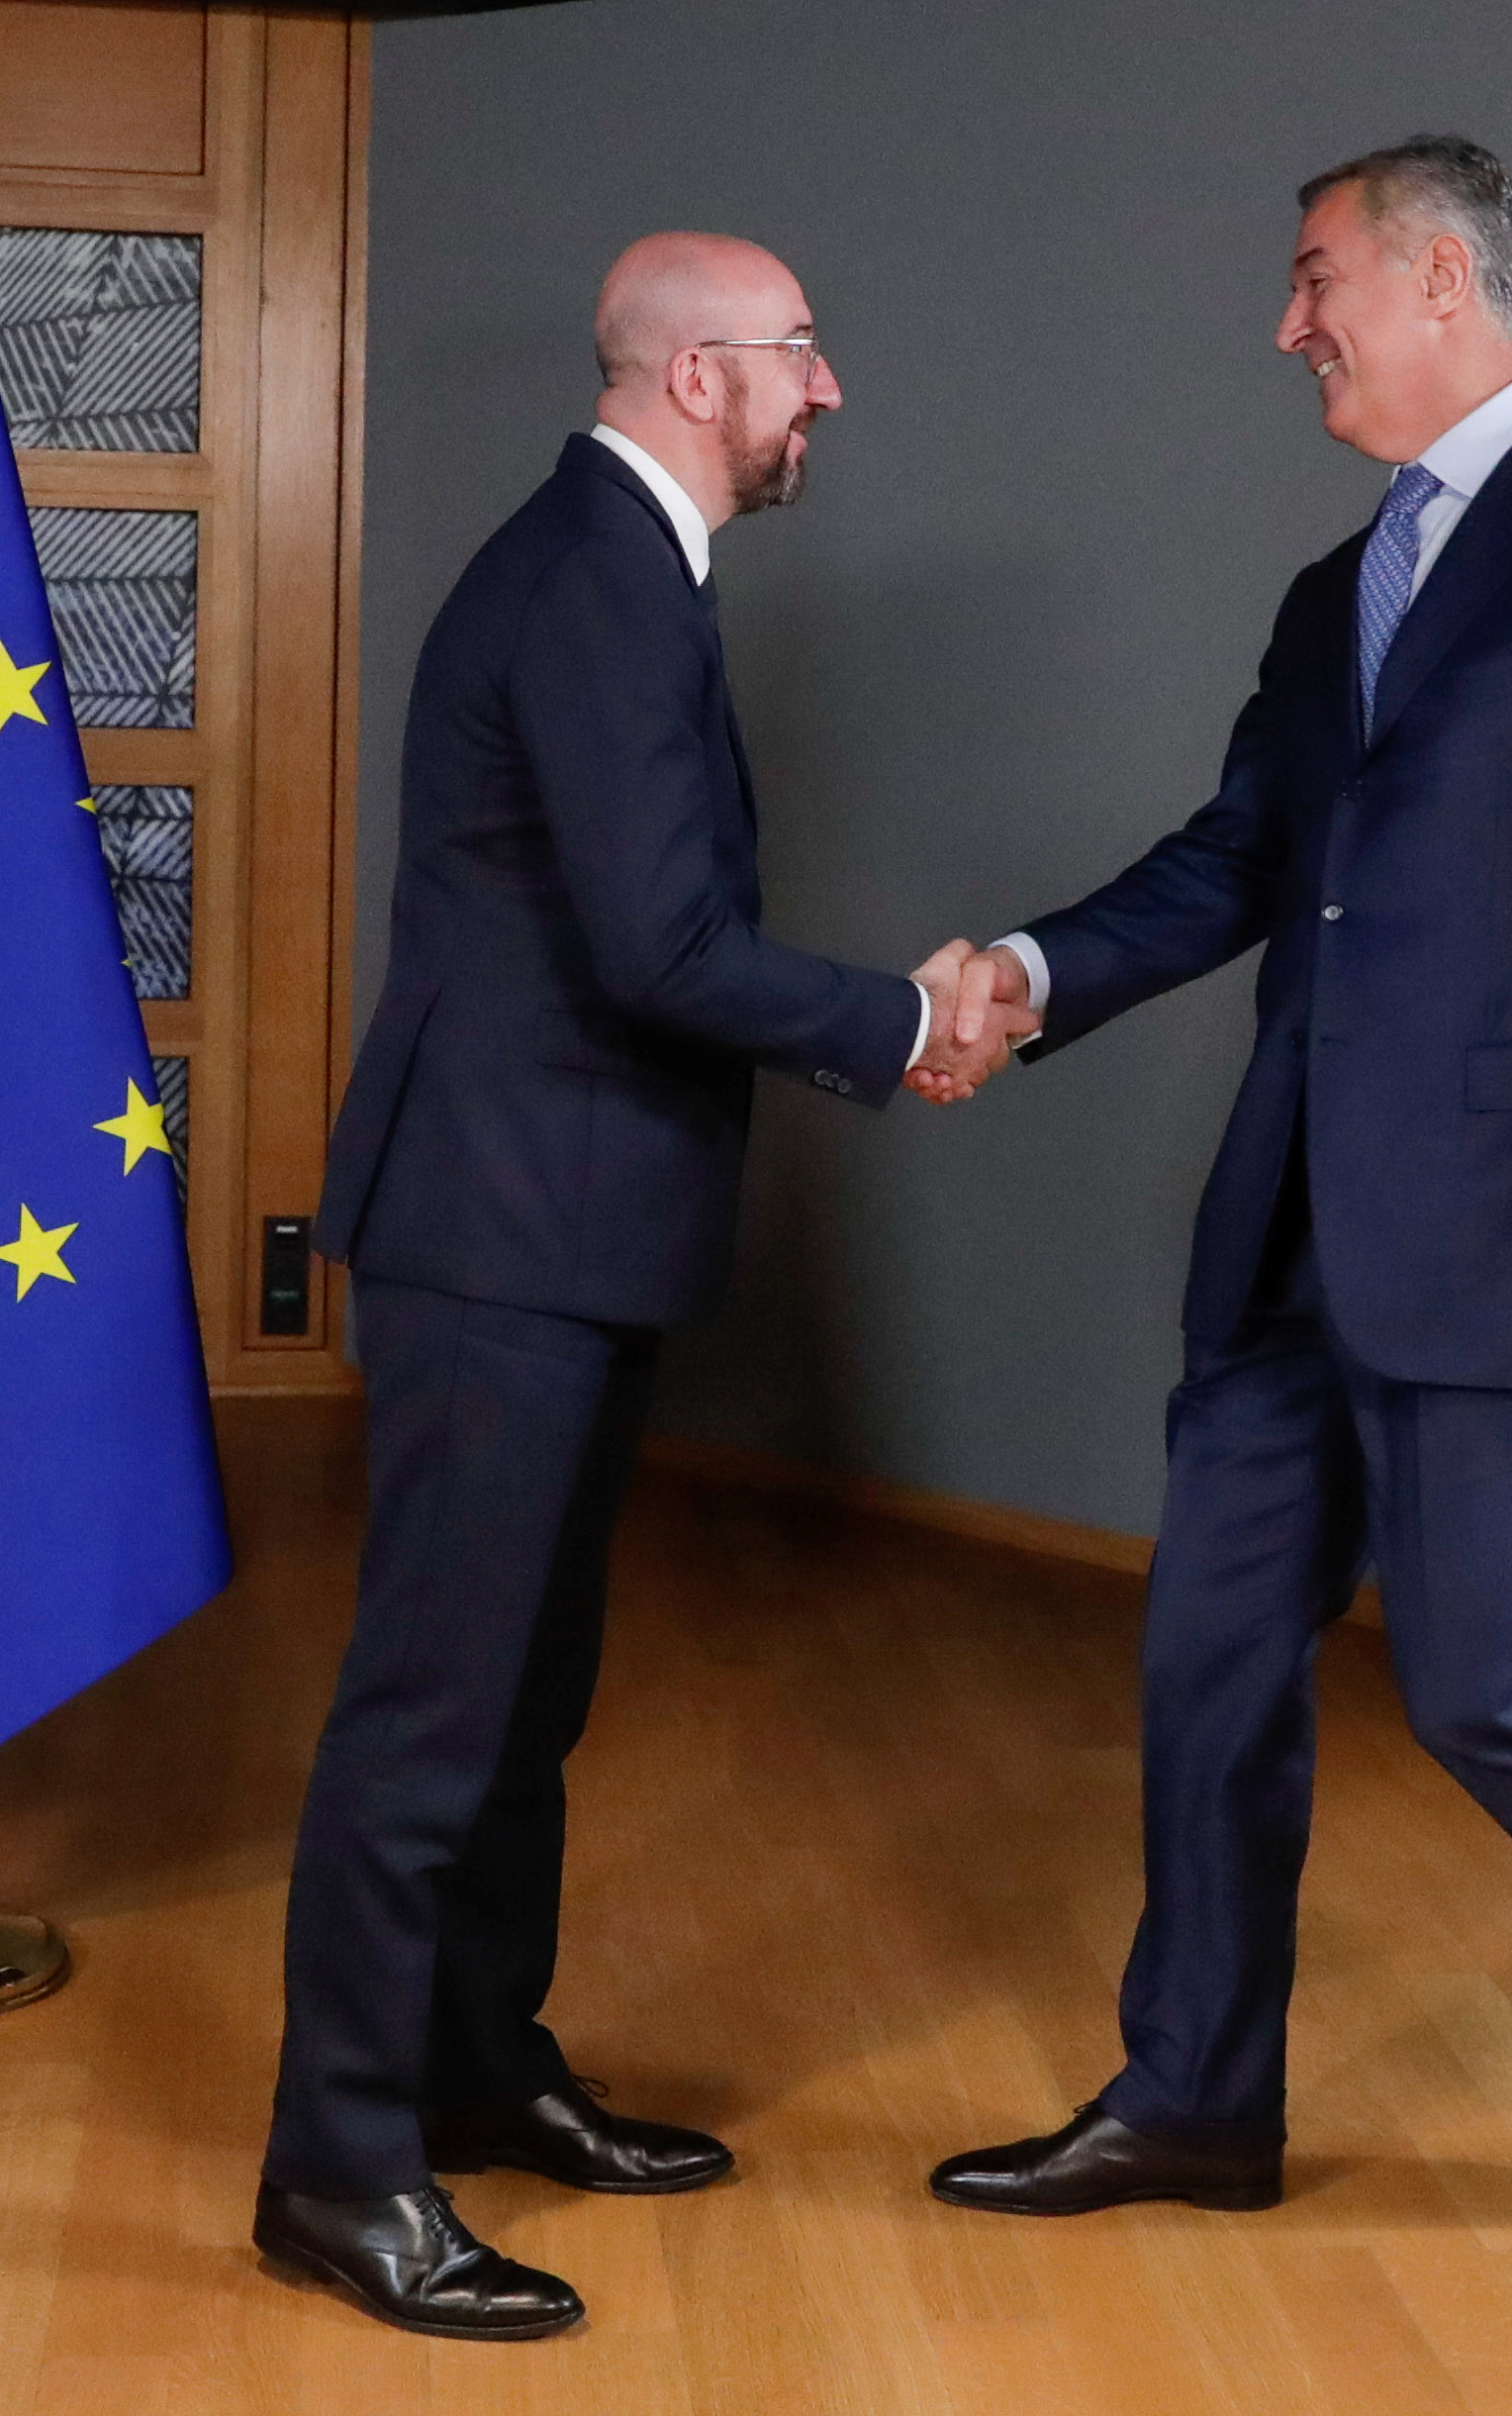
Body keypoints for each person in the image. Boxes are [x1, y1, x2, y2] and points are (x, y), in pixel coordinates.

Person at [926, 138, 1512, 2270]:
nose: (1288, 327)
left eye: (1313, 279)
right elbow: (1236, 860)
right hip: (1290, 1228)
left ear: (1439, 277)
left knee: (1483, 1688)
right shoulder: (1327, 591)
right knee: (1206, 1665)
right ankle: (1192, 2096)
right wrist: (1032, 971)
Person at [255, 232, 1016, 2341]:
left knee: (523, 1702)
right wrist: (898, 1020)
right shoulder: (594, 572)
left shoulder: (626, 563)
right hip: (503, 1234)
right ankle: (336, 2172)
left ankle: (478, 2069)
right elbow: (658, 949)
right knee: (431, 1717)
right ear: (695, 376)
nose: (826, 389)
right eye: (797, 352)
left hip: (555, 1230)